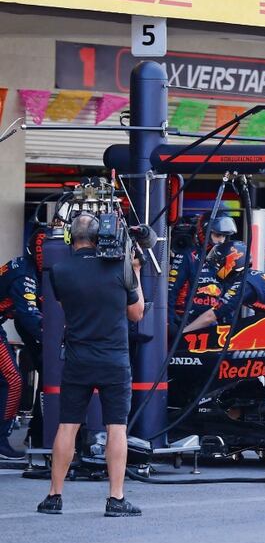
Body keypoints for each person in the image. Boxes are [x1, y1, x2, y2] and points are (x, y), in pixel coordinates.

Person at [37, 212, 145, 517]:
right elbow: (136, 314)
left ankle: (54, 496)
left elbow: (64, 305)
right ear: (99, 239)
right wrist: (135, 270)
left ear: (72, 239)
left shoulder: (59, 270)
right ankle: (116, 498)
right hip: (113, 359)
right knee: (116, 428)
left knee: (67, 425)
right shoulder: (119, 267)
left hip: (77, 358)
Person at [182, 240, 265, 333]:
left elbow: (211, 317)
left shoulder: (243, 284)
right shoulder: (253, 276)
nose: (216, 268)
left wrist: (183, 334)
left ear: (231, 263)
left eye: (219, 263)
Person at [0, 243, 44, 459]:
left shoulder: (27, 268)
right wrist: (54, 339)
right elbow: (28, 317)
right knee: (13, 381)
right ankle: (0, 442)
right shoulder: (24, 275)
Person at [168, 214, 236, 334]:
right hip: (184, 324)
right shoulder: (188, 256)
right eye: (218, 235)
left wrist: (228, 324)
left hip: (213, 325)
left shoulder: (225, 261)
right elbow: (171, 292)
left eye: (225, 236)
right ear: (205, 232)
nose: (222, 240)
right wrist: (170, 322)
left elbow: (227, 296)